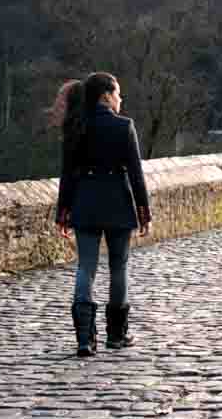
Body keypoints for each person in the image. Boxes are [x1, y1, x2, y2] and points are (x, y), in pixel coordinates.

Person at [51, 72, 151, 357]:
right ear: (106, 95)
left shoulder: (76, 126)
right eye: (118, 93)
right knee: (119, 267)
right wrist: (144, 212)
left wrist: (63, 213)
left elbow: (67, 175)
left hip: (85, 203)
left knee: (86, 268)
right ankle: (116, 337)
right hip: (118, 203)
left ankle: (85, 339)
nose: (121, 98)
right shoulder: (124, 126)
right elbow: (136, 174)